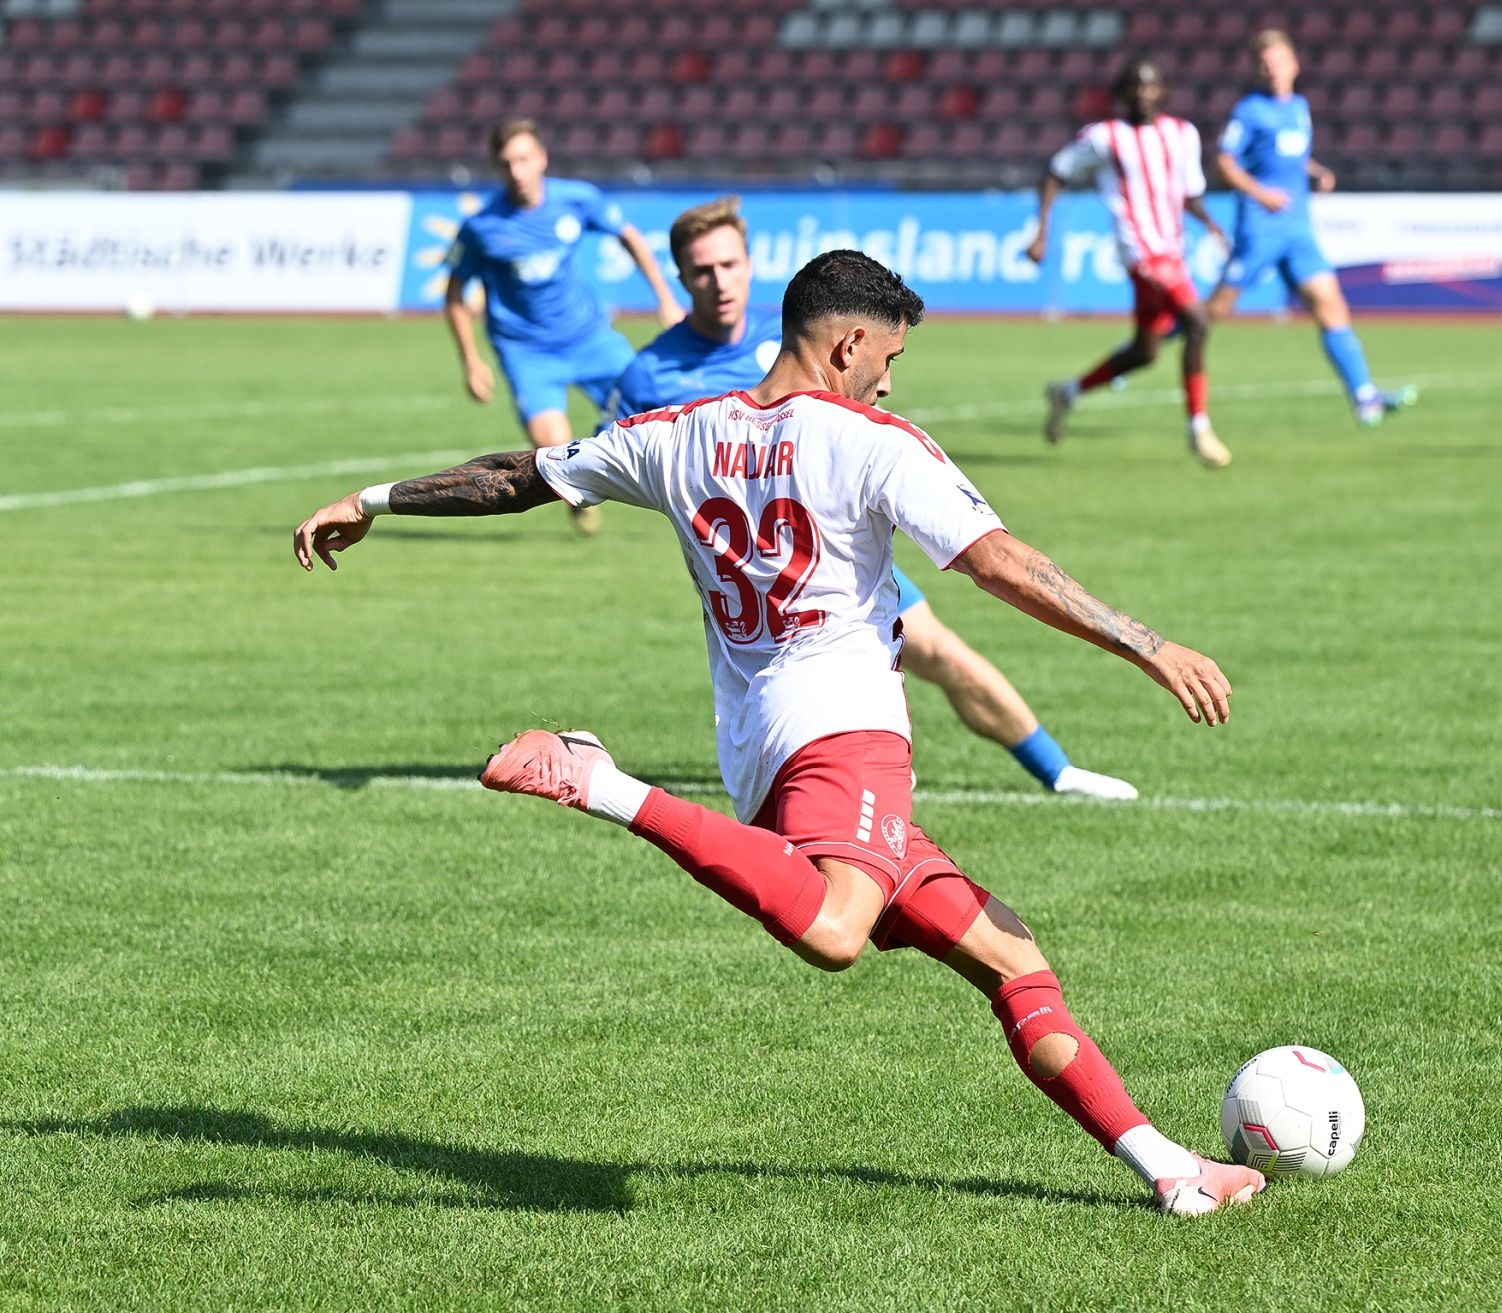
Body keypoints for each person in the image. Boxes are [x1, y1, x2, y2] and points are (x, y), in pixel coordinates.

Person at [293, 250, 1266, 1217]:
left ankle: (1167, 1168)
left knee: (1010, 953)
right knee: (836, 931)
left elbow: (520, 475)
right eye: (888, 359)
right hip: (846, 733)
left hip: (759, 752)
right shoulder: (877, 442)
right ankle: (600, 780)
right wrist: (1148, 643)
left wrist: (372, 499)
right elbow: (999, 561)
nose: (889, 382)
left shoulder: (677, 433)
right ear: (848, 344)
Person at [607, 197, 1137, 801]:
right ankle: (844, 771)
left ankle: (1055, 770)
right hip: (750, 561)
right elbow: (628, 457)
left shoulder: (798, 337)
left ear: (749, 265)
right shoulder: (651, 374)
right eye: (703, 271)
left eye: (729, 265)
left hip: (832, 543)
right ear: (680, 278)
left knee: (935, 648)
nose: (719, 281)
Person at [443, 117, 688, 534]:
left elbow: (628, 234)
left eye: (524, 159)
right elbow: (454, 295)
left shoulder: (577, 199)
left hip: (590, 338)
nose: (517, 171)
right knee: (554, 449)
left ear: (542, 158)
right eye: (507, 163)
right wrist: (471, 361)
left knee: (660, 417)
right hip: (527, 351)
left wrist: (664, 296)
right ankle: (578, 501)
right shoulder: (482, 227)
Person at [1027, 57, 1234, 469]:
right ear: (1123, 94)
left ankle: (1068, 391)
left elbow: (1190, 193)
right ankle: (1199, 429)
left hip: (1173, 250)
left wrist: (1210, 223)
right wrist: (1041, 231)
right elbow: (1056, 171)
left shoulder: (1183, 134)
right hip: (1140, 252)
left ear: (1164, 91)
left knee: (1144, 352)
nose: (1143, 93)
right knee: (1197, 321)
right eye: (1135, 86)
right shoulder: (1105, 136)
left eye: (1151, 85)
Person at [1206, 29, 1416, 429]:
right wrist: (1261, 193)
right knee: (1215, 310)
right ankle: (1142, 351)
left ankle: (1365, 398)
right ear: (1256, 70)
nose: (1272, 70)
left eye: (1278, 62)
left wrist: (1316, 171)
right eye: (1265, 65)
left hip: (1298, 230)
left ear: (1294, 65)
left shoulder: (1299, 107)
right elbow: (1224, 163)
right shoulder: (1248, 112)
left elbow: (1291, 156)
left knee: (1330, 304)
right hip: (1260, 230)